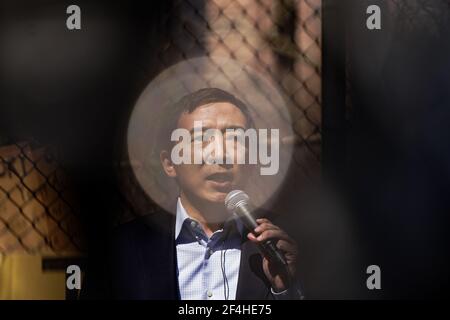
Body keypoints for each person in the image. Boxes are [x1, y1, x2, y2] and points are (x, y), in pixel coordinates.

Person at [111, 88, 301, 299]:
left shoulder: (288, 245)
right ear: (170, 163)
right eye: (201, 138)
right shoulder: (121, 249)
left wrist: (285, 290)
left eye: (234, 138)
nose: (220, 154)